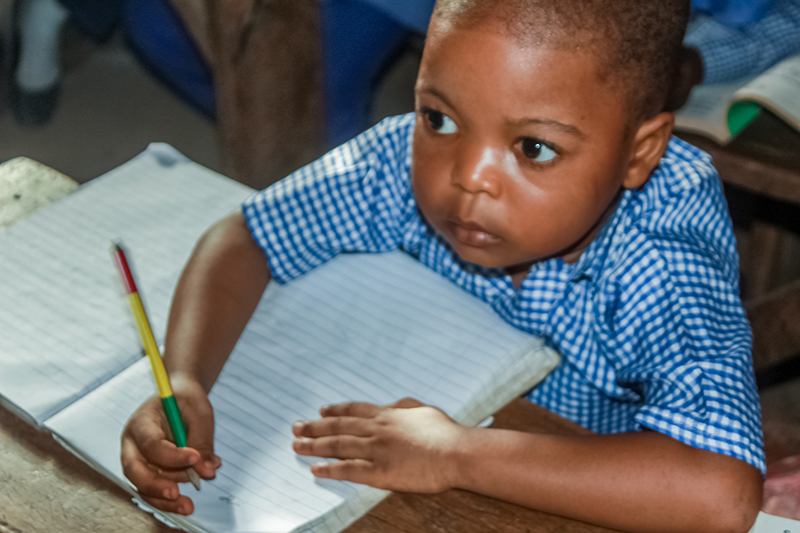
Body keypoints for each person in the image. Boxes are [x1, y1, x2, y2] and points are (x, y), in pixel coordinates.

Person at [120, 0, 765, 530]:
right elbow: (246, 235)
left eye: (533, 148)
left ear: (639, 152)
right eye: (440, 116)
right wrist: (186, 378)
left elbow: (721, 493)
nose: (467, 178)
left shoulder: (661, 250)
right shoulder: (402, 163)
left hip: (584, 492)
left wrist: (457, 454)